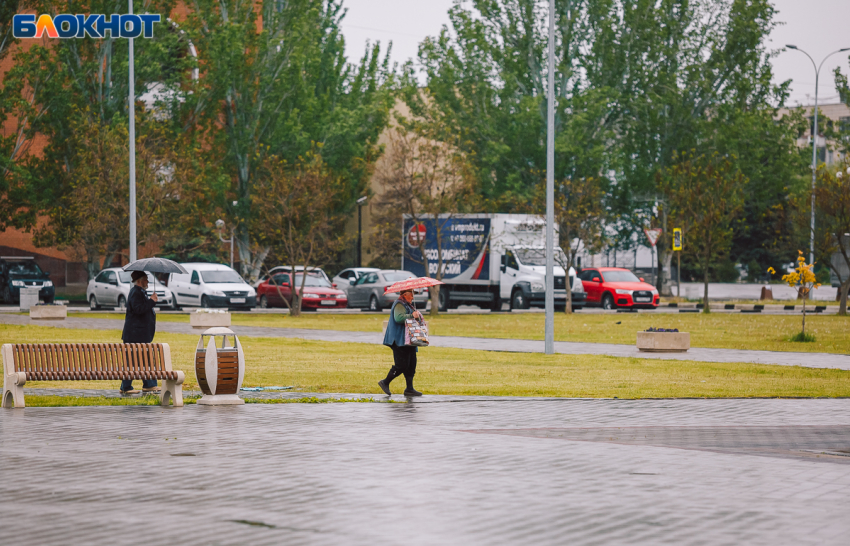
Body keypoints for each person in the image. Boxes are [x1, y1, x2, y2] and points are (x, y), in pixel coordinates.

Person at [120, 270, 160, 395]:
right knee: (144, 360)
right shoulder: (136, 293)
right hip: (136, 335)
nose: (148, 281)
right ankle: (149, 384)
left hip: (137, 334)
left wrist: (150, 301)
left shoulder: (139, 292)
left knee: (136, 361)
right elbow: (138, 309)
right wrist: (152, 301)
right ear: (139, 281)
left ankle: (128, 386)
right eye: (146, 279)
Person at [379, 289, 423, 397]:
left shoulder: (408, 305)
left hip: (408, 341)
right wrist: (412, 315)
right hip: (399, 341)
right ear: (405, 295)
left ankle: (409, 389)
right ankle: (385, 382)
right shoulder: (399, 304)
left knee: (411, 364)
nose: (412, 297)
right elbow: (398, 318)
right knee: (401, 365)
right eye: (411, 295)